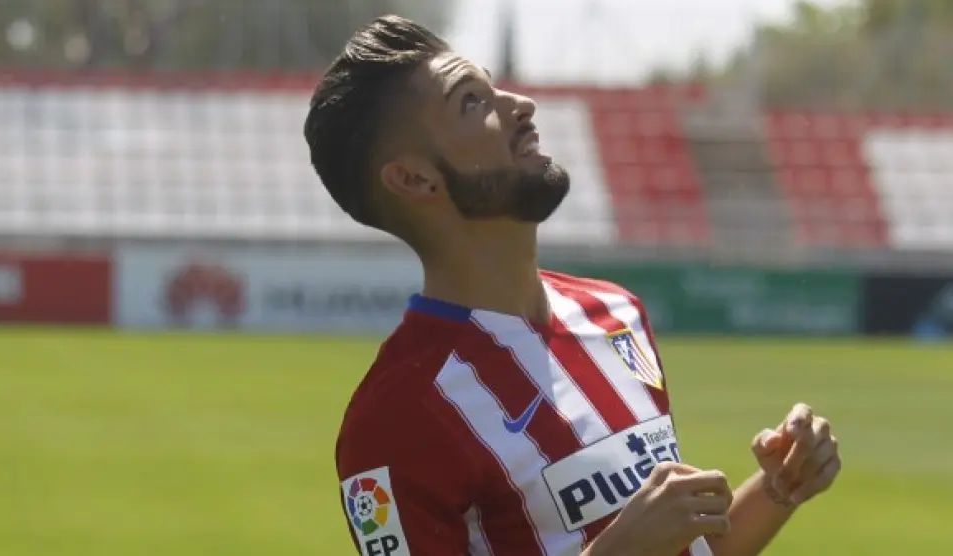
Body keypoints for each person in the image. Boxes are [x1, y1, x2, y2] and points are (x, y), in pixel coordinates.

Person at [304, 15, 842, 556]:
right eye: (471, 101)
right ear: (415, 178)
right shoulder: (396, 418)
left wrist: (777, 489)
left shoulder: (615, 312)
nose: (519, 104)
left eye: (494, 85)